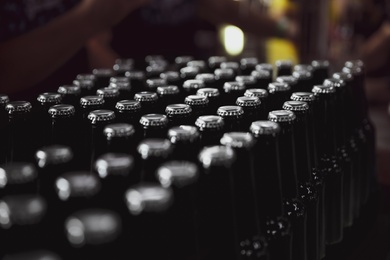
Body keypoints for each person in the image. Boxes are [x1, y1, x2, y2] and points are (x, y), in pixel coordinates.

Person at [0, 0, 298, 100]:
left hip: (170, 91)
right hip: (116, 98)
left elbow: (222, 8)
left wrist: (285, 30)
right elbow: (94, 37)